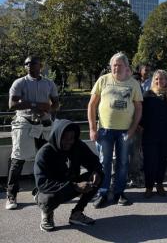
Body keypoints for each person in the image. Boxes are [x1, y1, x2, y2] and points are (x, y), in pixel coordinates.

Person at [88, 52, 143, 208]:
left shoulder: (133, 84)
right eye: (114, 65)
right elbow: (91, 105)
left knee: (123, 163)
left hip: (125, 131)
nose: (116, 68)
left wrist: (132, 129)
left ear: (126, 67)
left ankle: (119, 192)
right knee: (104, 162)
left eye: (120, 65)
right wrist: (92, 128)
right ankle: (103, 192)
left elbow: (139, 108)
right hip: (105, 131)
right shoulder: (103, 80)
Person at [6, 56, 59, 210]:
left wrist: (48, 108)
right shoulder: (19, 83)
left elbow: (56, 104)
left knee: (44, 159)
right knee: (18, 159)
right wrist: (35, 105)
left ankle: (41, 190)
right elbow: (12, 104)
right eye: (26, 64)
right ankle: (11, 195)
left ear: (40, 66)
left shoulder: (49, 83)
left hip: (43, 126)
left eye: (32, 63)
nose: (29, 66)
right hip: (24, 124)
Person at [34, 120, 104, 231]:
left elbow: (93, 160)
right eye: (65, 138)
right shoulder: (44, 153)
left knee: (99, 176)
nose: (69, 141)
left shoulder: (77, 145)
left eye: (71, 138)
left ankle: (77, 213)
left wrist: (96, 170)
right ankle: (47, 213)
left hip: (72, 183)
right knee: (48, 198)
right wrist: (75, 186)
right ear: (57, 136)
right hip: (52, 189)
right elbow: (42, 184)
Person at [141, 70, 167, 198]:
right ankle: (149, 187)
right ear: (154, 81)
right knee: (150, 161)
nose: (160, 81)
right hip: (150, 136)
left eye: (163, 79)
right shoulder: (147, 96)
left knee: (161, 161)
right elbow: (141, 115)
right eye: (157, 79)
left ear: (166, 80)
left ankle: (159, 184)